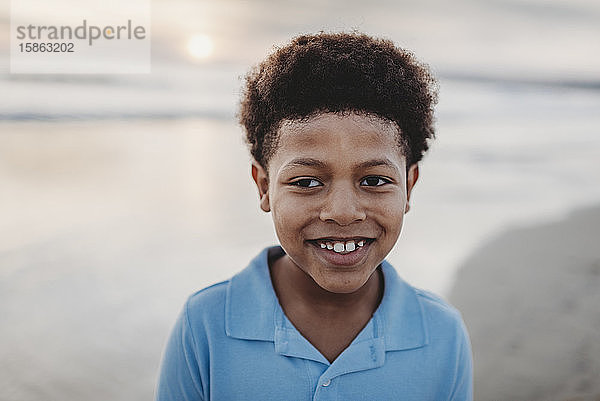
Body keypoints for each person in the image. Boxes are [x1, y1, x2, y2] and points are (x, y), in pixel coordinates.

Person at [156, 31, 473, 401]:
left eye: (373, 180)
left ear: (408, 185)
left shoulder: (441, 334)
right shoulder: (205, 326)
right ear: (263, 186)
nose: (342, 212)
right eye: (307, 181)